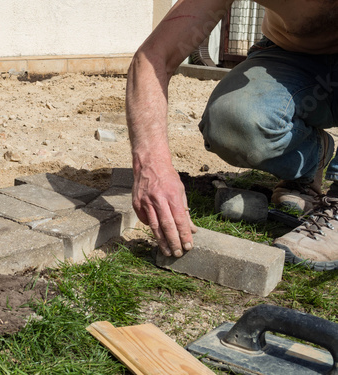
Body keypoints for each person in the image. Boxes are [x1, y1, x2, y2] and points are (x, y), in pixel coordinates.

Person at [126, 0, 338, 271]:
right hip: (294, 56)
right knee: (233, 121)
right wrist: (152, 167)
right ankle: (312, 157)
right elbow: (154, 57)